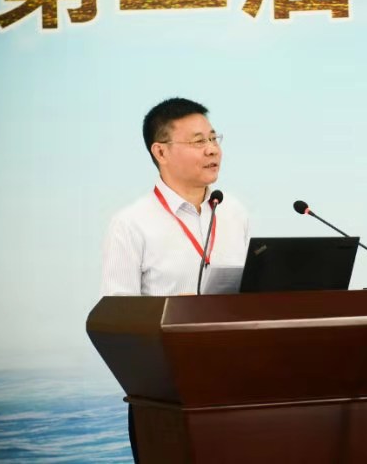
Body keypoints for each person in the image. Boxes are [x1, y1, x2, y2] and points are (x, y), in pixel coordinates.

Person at [100, 97, 250, 462]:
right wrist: (172, 312)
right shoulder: (131, 223)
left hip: (237, 383)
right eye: (198, 142)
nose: (212, 149)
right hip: (167, 396)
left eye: (213, 138)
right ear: (161, 152)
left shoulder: (233, 211)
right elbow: (116, 321)